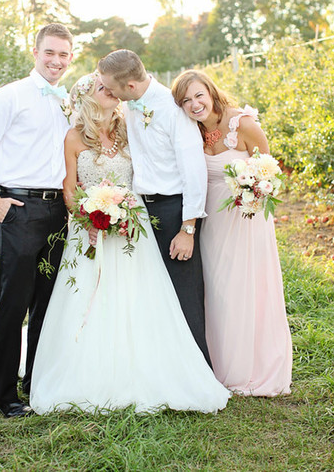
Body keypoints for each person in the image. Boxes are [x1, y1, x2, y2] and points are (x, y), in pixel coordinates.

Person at [30, 72, 230, 414]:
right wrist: (88, 219)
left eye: (111, 86)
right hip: (90, 229)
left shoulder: (128, 129)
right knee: (90, 299)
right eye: (101, 87)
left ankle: (149, 365)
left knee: (141, 297)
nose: (110, 90)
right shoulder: (74, 137)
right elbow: (69, 189)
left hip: (132, 226)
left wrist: (124, 211)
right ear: (86, 98)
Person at [0, 23, 73, 417]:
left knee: (47, 302)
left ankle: (36, 382)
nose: (56, 61)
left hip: (58, 212)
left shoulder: (69, 101)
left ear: (70, 57)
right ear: (35, 51)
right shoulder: (10, 96)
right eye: (50, 52)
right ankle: (3, 393)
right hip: (20, 209)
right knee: (13, 303)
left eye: (63, 54)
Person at [171, 69, 292, 396]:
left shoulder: (243, 124)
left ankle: (256, 367)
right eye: (186, 100)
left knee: (247, 286)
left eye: (199, 95)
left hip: (247, 219)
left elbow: (269, 171)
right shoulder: (190, 131)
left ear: (211, 92)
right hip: (212, 221)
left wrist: (253, 191)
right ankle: (223, 365)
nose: (195, 104)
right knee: (218, 289)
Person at [97, 50, 211, 366]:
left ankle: (198, 370)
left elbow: (194, 174)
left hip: (175, 211)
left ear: (130, 86)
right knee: (154, 294)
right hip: (142, 211)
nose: (108, 93)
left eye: (111, 88)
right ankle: (163, 367)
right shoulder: (130, 105)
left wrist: (188, 230)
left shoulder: (172, 111)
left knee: (184, 294)